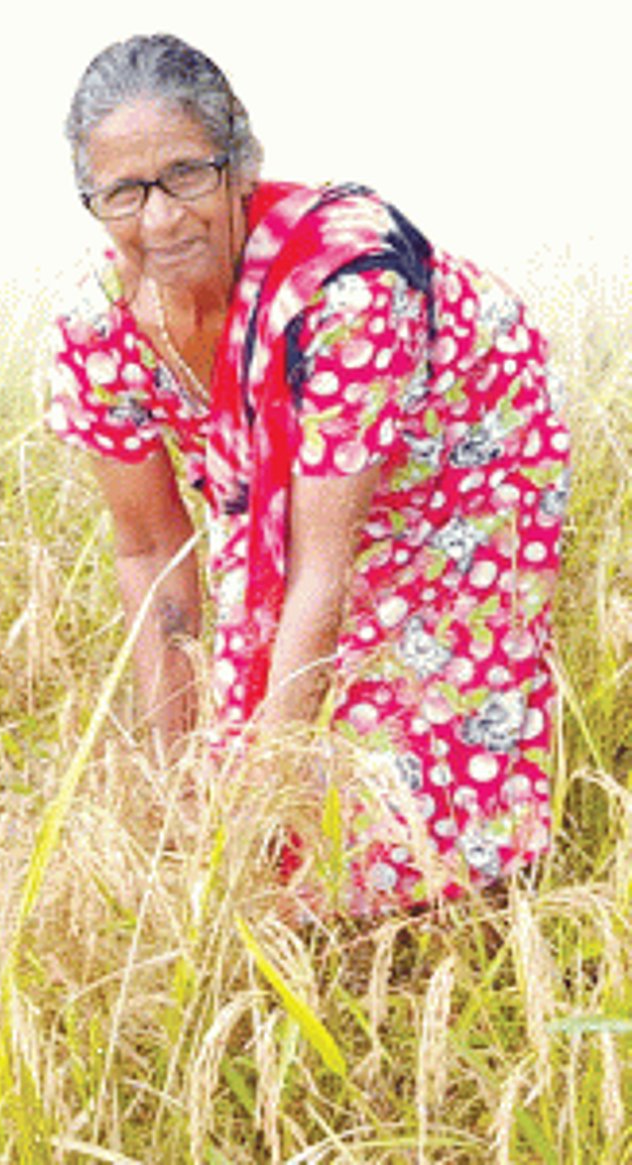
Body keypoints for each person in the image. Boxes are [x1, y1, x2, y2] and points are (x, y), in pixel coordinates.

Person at [45, 33, 570, 914]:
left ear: (239, 163)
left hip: (460, 442)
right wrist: (179, 779)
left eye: (186, 175)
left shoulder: (345, 291)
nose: (162, 219)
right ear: (90, 199)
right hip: (316, 483)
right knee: (245, 742)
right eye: (124, 193)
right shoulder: (98, 334)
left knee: (416, 696)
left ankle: (466, 908)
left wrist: (256, 810)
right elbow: (151, 555)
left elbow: (317, 568)